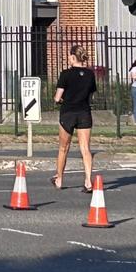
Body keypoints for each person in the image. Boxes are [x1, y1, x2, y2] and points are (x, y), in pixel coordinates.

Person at [51, 45, 96, 192]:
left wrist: (60, 100)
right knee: (85, 148)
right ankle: (88, 181)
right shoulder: (90, 75)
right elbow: (91, 95)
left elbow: (57, 97)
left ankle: (59, 178)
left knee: (64, 147)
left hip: (68, 112)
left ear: (72, 57)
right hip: (84, 112)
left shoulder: (65, 74)